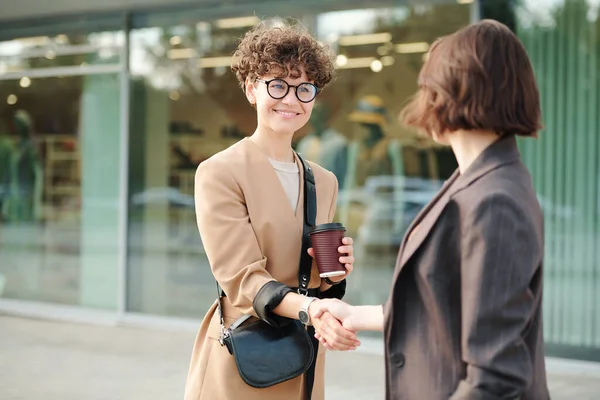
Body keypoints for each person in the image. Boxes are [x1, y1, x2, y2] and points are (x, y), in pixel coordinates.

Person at [310, 19, 551, 400]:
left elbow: (495, 377)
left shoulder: (495, 200)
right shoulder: (473, 180)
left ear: (451, 93)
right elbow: (450, 307)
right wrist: (361, 315)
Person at [184, 18, 359, 400]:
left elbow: (315, 279)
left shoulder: (323, 180)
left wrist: (336, 273)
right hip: (244, 353)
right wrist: (312, 308)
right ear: (251, 89)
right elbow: (242, 278)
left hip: (304, 356)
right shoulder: (219, 172)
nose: (292, 99)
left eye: (304, 88)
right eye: (277, 85)